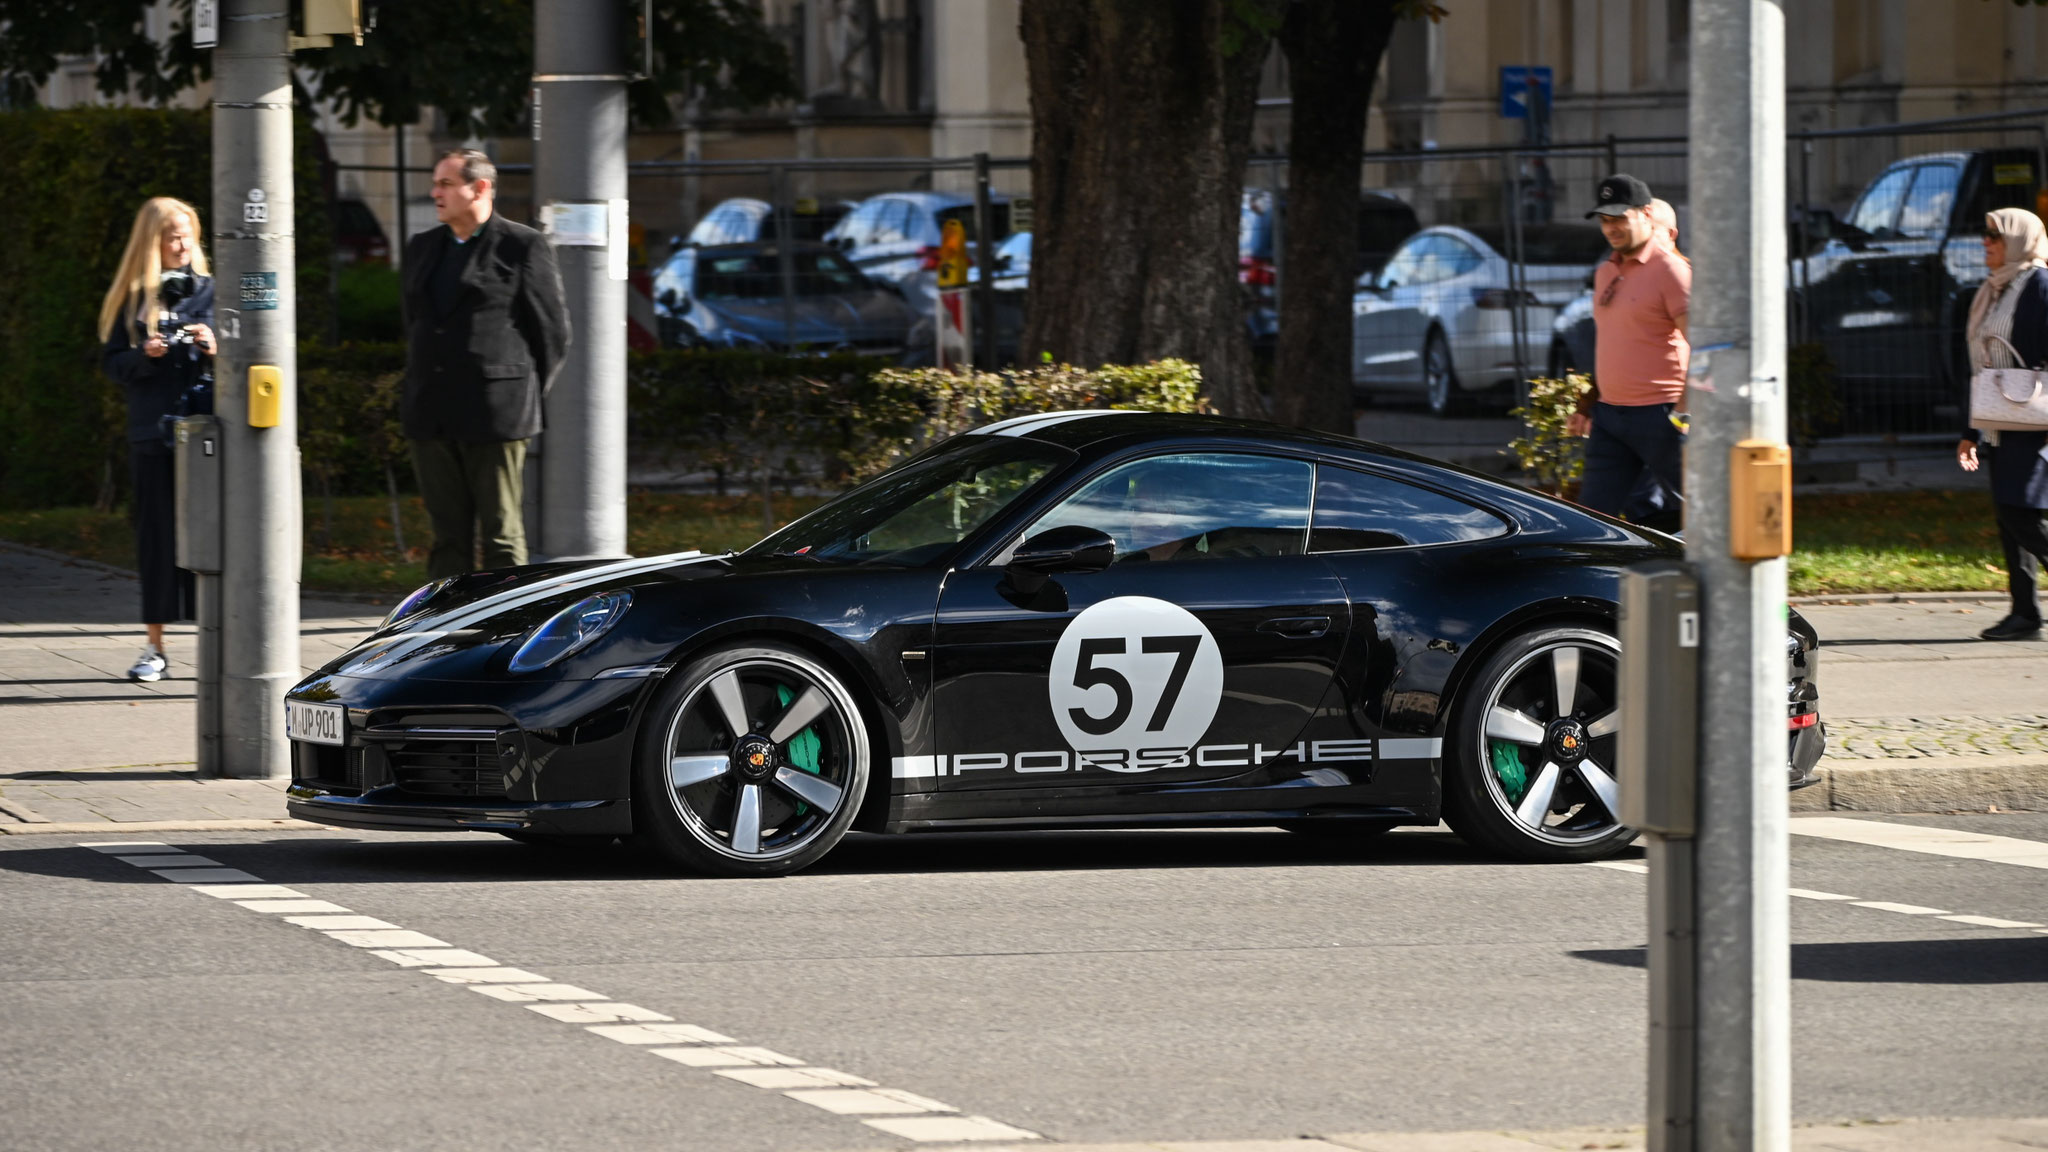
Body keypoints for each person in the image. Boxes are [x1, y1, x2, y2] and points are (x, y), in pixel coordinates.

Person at [401, 148, 570, 580]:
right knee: (447, 535)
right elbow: (415, 322)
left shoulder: (521, 245)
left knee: (501, 534)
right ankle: (442, 627)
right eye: (435, 182)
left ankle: (507, 624)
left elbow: (551, 333)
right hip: (431, 411)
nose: (434, 192)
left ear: (479, 188)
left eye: (445, 183)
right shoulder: (423, 247)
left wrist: (519, 392)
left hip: (496, 413)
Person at [98, 198, 216, 683]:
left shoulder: (212, 291)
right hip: (152, 432)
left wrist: (215, 346)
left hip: (206, 435)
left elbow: (249, 352)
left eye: (188, 234)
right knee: (155, 540)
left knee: (214, 541)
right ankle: (155, 647)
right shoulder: (133, 298)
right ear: (153, 242)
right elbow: (112, 365)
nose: (183, 244)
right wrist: (145, 353)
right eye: (172, 236)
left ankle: (217, 639)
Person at [1567, 174, 1691, 527]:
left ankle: (1723, 577)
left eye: (1620, 217)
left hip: (1662, 414)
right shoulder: (1606, 273)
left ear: (1646, 214)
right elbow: (1615, 344)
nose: (1611, 227)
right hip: (1610, 418)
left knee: (1707, 514)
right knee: (1592, 519)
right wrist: (1589, 404)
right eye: (1605, 220)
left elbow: (1705, 346)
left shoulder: (1672, 271)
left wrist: (1685, 412)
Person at [1957, 207, 2048, 641]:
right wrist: (1969, 432)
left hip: (2035, 419)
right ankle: (2025, 612)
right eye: (1985, 233)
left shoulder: (2040, 285)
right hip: (2001, 418)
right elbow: (1982, 365)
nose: (1986, 242)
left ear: (2017, 240)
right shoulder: (1994, 290)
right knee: (2007, 518)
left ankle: (2026, 611)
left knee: (2021, 511)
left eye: (1994, 235)